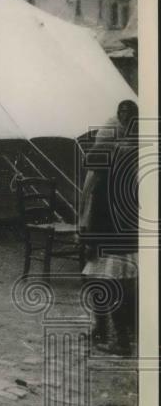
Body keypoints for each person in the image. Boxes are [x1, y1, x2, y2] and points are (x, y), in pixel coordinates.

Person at [81, 99, 139, 356]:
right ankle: (102, 328)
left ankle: (122, 340)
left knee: (113, 281)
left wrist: (89, 234)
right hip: (114, 228)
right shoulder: (114, 146)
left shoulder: (124, 159)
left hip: (115, 231)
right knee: (100, 278)